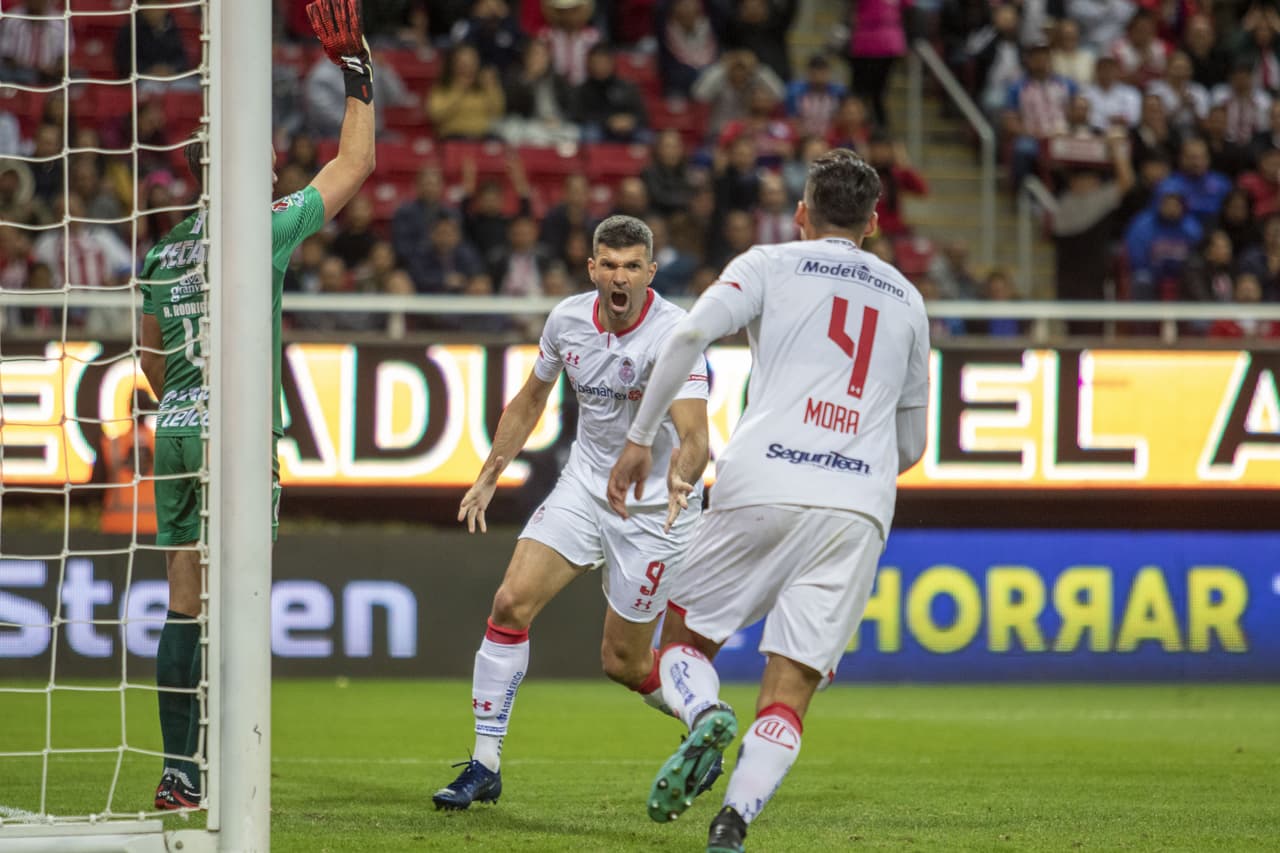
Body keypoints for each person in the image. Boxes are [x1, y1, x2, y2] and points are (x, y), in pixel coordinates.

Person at [607, 148, 929, 852]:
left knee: (685, 643)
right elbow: (913, 444)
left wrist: (639, 438)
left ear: (803, 214)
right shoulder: (908, 298)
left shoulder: (768, 263)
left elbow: (690, 332)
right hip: (857, 506)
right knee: (792, 686)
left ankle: (702, 713)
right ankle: (733, 821)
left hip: (763, 478)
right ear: (873, 223)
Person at [136, 0, 375, 810]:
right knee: (237, 598)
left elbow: (149, 360)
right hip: (236, 431)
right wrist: (358, 74)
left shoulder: (162, 254)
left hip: (174, 426)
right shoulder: (264, 227)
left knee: (182, 597)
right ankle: (234, 761)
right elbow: (354, 167)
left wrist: (185, 403)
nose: (277, 169)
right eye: (268, 161)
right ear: (242, 170)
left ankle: (178, 771)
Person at [430, 214, 712, 810]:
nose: (620, 276)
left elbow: (695, 436)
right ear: (592, 269)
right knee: (510, 601)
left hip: (657, 511)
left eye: (632, 265)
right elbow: (532, 397)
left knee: (624, 662)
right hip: (585, 487)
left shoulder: (676, 334)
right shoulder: (566, 321)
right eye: (608, 264)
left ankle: (706, 716)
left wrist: (684, 479)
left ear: (650, 273)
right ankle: (484, 764)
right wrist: (490, 472)